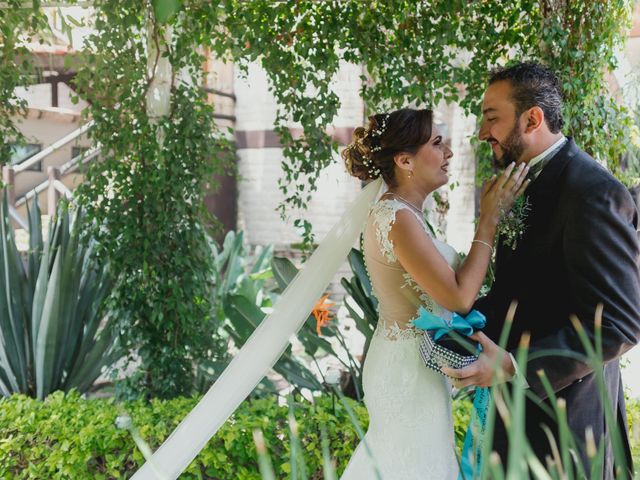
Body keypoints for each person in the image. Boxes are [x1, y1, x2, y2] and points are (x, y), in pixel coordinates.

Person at [444, 61, 640, 478]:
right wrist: (450, 321)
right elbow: (521, 292)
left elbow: (620, 324)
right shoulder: (523, 182)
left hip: (565, 429)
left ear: (532, 118)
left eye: (492, 118)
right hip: (515, 418)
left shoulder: (592, 193)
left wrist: (514, 366)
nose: (482, 133)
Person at [339, 108, 528, 479]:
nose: (449, 154)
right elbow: (458, 298)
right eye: (437, 143)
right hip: (406, 370)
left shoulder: (407, 214)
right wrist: (487, 221)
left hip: (412, 361)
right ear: (404, 159)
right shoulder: (397, 218)